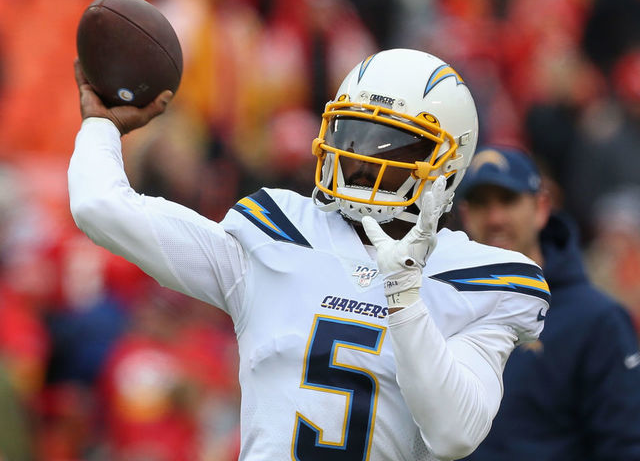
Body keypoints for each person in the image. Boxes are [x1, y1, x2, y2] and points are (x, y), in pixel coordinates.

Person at [68, 48, 550, 460]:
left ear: (446, 161)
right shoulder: (276, 234)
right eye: (351, 137)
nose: (361, 161)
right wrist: (101, 125)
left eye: (391, 145)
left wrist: (405, 296)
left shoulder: (480, 280)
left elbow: (454, 434)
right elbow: (100, 206)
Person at [457, 146, 640, 461]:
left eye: (508, 200)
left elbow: (624, 444)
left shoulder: (597, 319)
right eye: (481, 203)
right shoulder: (444, 305)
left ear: (542, 207)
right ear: (464, 214)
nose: (495, 218)